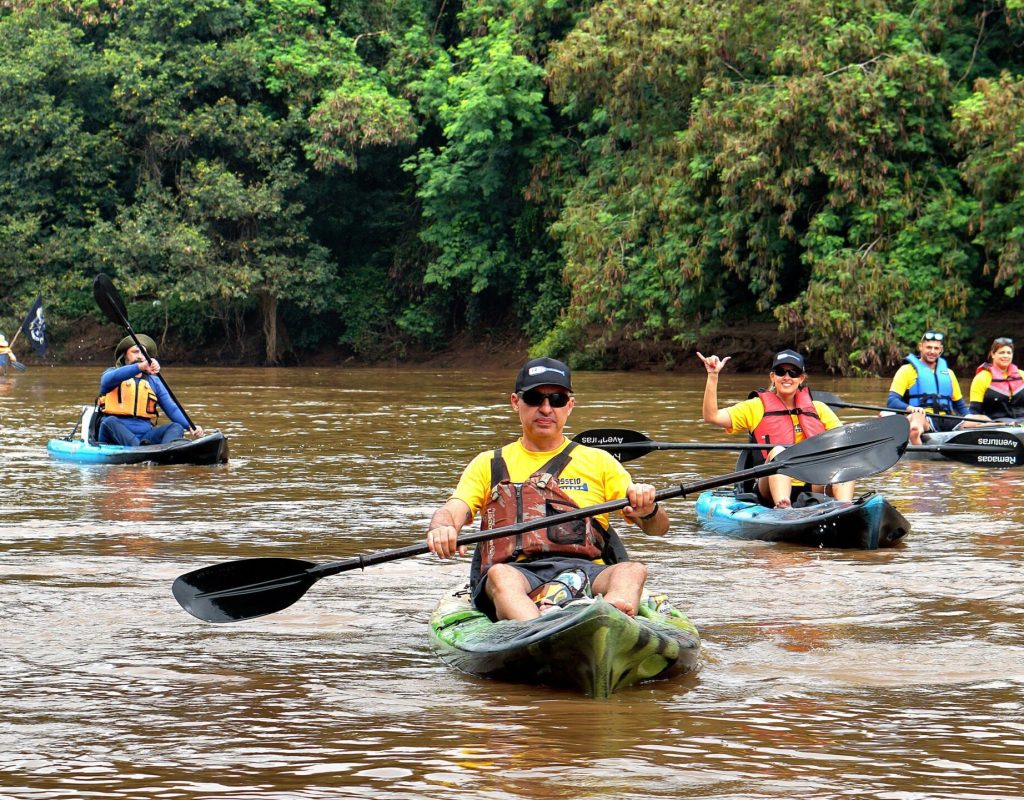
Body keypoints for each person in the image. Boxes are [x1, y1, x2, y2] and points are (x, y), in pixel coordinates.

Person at [425, 357, 668, 622]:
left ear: (570, 406)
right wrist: (442, 528)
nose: (546, 408)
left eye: (557, 399)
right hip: (518, 574)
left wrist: (649, 509)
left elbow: (657, 528)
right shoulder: (489, 464)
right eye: (534, 398)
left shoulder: (599, 462)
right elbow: (452, 511)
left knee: (632, 570)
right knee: (499, 575)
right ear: (516, 402)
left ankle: (606, 621)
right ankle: (540, 628)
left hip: (587, 573)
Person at [698, 348, 854, 509]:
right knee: (779, 451)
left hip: (813, 483)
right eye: (781, 372)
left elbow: (844, 440)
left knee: (843, 460)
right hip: (769, 487)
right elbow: (712, 416)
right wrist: (713, 376)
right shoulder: (756, 407)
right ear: (773, 377)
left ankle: (845, 508)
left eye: (793, 373)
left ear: (801, 378)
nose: (787, 377)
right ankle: (784, 507)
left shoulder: (818, 409)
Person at [97, 334, 203, 446]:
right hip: (114, 434)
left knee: (176, 427)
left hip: (145, 437)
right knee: (109, 422)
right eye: (135, 352)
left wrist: (190, 426)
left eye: (143, 352)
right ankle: (142, 450)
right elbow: (106, 380)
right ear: (125, 355)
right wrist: (140, 367)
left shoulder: (154, 381)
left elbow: (172, 409)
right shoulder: (112, 373)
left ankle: (165, 453)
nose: (140, 356)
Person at [886, 331, 972, 445]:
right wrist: (911, 408)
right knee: (915, 427)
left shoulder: (949, 373)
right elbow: (892, 401)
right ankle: (918, 457)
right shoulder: (906, 370)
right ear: (920, 347)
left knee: (980, 421)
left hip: (946, 419)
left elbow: (959, 405)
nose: (932, 351)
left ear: (941, 349)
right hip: (922, 418)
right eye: (929, 347)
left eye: (936, 348)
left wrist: (969, 416)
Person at [968, 337, 1024, 422]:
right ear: (993, 354)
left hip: (1021, 423)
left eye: (1009, 353)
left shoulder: (1022, 375)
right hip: (996, 425)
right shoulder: (981, 378)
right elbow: (974, 410)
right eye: (1002, 352)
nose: (1006, 356)